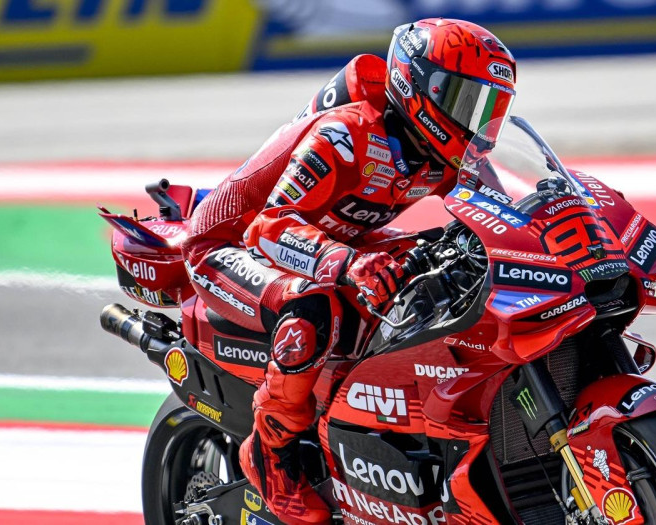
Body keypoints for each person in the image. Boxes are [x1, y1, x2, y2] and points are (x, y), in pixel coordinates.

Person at [181, 18, 517, 525]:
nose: (475, 120)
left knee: (442, 262)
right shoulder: (349, 133)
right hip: (228, 243)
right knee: (308, 309)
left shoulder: (448, 153)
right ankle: (270, 454)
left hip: (332, 242)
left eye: (487, 107)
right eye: (465, 100)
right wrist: (348, 263)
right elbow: (268, 227)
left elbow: (501, 215)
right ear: (417, 85)